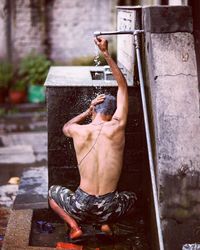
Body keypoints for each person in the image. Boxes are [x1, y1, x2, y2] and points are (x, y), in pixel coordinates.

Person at [48, 37, 137, 239]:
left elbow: (65, 127)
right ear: (113, 112)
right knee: (132, 198)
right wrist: (106, 53)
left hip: (80, 204)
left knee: (52, 193)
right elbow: (122, 87)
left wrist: (86, 112)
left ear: (95, 110)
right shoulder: (117, 126)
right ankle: (105, 223)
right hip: (109, 206)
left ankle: (74, 227)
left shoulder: (79, 131)